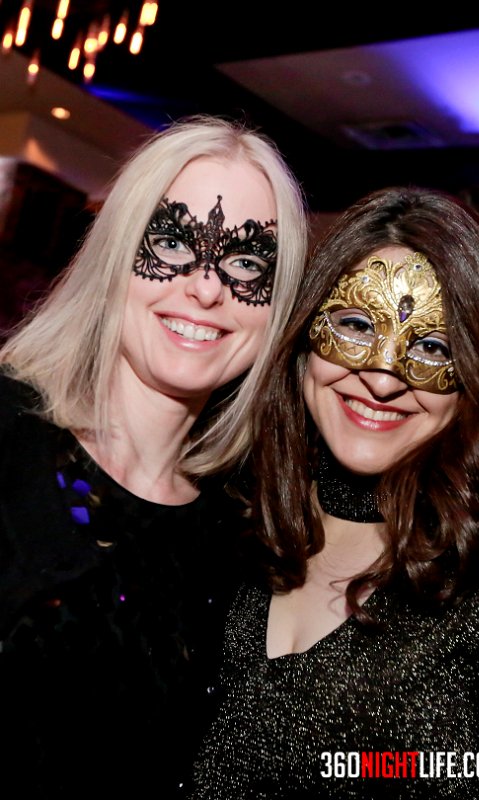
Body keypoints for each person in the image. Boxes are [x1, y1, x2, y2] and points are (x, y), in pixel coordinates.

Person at [0, 115, 307, 797]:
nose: (205, 287)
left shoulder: (242, 537)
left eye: (247, 260)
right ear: (115, 253)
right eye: (172, 243)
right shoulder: (5, 433)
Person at [191, 187, 479, 798]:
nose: (381, 377)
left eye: (432, 347)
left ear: (476, 371)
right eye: (355, 325)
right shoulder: (227, 502)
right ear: (303, 341)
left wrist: (356, 767)